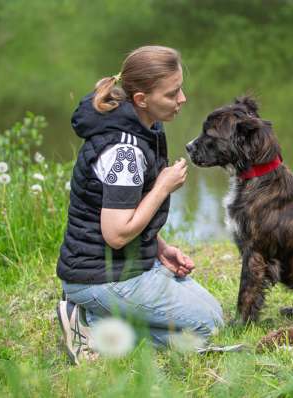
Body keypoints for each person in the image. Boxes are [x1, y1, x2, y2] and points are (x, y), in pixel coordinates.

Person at [55, 45, 223, 365]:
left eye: (181, 89)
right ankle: (90, 326)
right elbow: (116, 235)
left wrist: (160, 248)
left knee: (213, 313)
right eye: (172, 94)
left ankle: (95, 317)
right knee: (206, 327)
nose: (182, 99)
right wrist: (162, 187)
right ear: (142, 100)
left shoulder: (142, 126)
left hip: (120, 265)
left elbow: (125, 209)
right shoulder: (124, 151)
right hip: (99, 276)